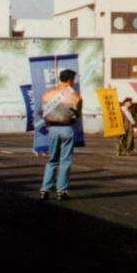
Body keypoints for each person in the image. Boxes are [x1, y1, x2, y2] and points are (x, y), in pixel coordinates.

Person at [39, 69, 81, 201]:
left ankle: (45, 190)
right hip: (67, 128)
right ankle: (61, 191)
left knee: (52, 160)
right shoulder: (74, 95)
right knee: (65, 161)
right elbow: (77, 114)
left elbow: (42, 112)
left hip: (52, 129)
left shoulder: (47, 93)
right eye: (73, 79)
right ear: (69, 80)